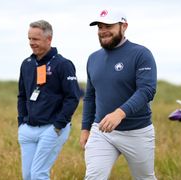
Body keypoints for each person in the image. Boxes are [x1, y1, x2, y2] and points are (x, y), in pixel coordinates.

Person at [79, 9, 157, 179]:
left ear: (124, 26)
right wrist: (85, 128)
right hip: (102, 131)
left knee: (144, 178)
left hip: (137, 131)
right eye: (100, 27)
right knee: (93, 177)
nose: (103, 31)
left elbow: (146, 90)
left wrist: (120, 113)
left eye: (108, 26)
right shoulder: (93, 58)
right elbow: (90, 96)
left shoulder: (141, 54)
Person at [17, 20, 80, 180]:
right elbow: (22, 95)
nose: (32, 43)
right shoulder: (27, 64)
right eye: (29, 39)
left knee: (38, 174)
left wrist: (58, 126)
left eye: (36, 39)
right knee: (28, 176)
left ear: (49, 39)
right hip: (28, 130)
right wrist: (21, 124)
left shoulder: (63, 64)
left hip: (52, 129)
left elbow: (72, 98)